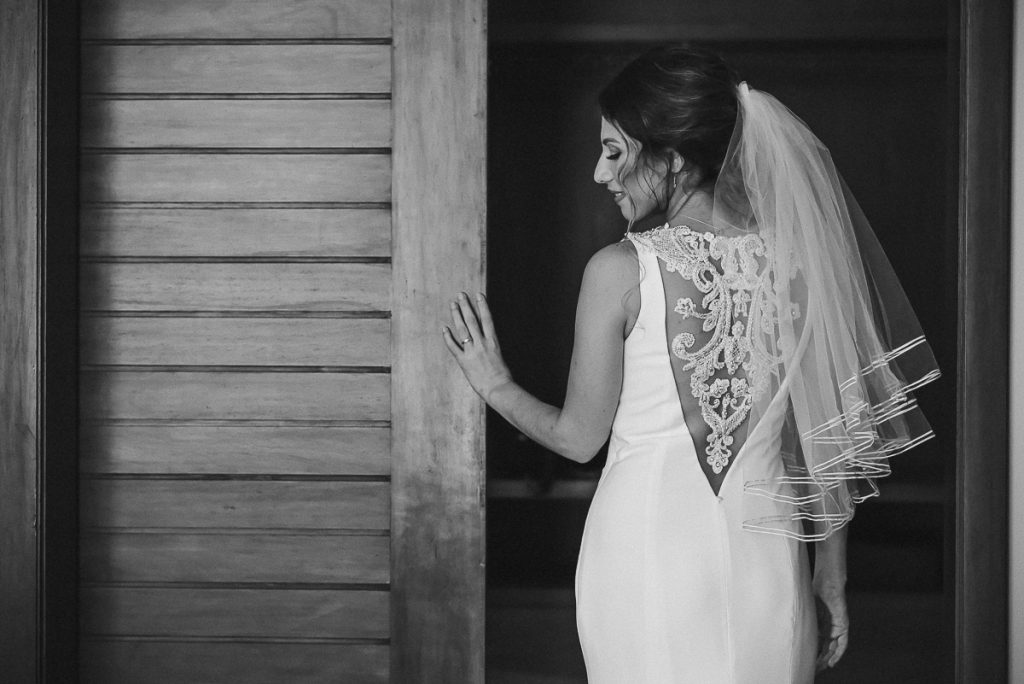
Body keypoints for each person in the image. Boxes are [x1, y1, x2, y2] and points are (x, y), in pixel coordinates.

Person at [443, 46, 939, 683]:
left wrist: (495, 383)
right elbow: (827, 440)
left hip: (646, 550)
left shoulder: (619, 272)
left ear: (671, 157)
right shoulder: (799, 263)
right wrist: (832, 573)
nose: (600, 173)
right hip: (771, 552)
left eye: (615, 152)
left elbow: (577, 438)